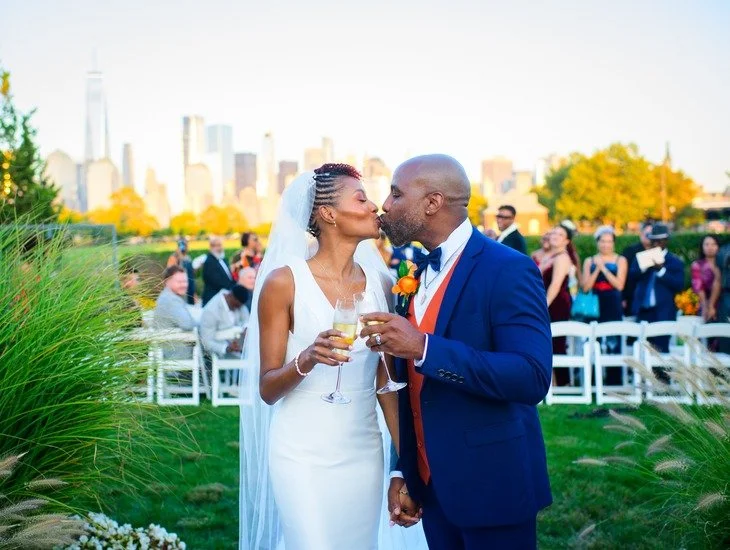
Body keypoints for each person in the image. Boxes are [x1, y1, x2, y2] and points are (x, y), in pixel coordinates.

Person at [361, 155, 552, 549]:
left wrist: (423, 347)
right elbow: (414, 391)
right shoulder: (414, 271)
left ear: (432, 203)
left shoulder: (507, 268)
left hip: (494, 485)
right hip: (433, 490)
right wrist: (406, 469)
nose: (386, 205)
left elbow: (531, 375)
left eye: (396, 194)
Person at [239, 164, 426, 550]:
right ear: (328, 214)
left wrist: (406, 467)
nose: (375, 206)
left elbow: (386, 386)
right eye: (361, 199)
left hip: (362, 449)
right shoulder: (283, 282)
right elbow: (268, 389)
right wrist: (306, 359)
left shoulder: (384, 285)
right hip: (300, 450)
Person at [630, 224, 685, 353]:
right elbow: (631, 277)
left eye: (660, 240)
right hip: (644, 312)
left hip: (663, 313)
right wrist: (645, 267)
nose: (656, 244)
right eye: (654, 240)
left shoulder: (674, 261)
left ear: (666, 241)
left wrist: (661, 271)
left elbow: (679, 285)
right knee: (644, 352)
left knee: (661, 353)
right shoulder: (641, 257)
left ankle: (662, 374)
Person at [540, 223, 573, 385]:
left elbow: (555, 284)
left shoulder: (562, 257)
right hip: (547, 302)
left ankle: (562, 383)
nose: (554, 236)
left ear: (566, 241)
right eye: (553, 233)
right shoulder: (547, 256)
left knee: (557, 342)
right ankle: (550, 382)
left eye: (559, 235)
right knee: (546, 343)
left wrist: (543, 306)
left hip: (557, 304)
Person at [153, 265, 198, 359]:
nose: (184, 285)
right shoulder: (171, 300)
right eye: (179, 282)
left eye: (185, 281)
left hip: (169, 350)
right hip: (177, 355)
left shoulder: (166, 296)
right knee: (209, 350)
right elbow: (188, 324)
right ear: (167, 282)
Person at [199, 285, 250, 359]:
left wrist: (246, 328)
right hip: (221, 352)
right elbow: (206, 342)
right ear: (231, 296)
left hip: (241, 347)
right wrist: (227, 348)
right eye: (236, 306)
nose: (238, 308)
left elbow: (246, 318)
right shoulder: (210, 311)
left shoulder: (238, 301)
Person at [621, 222, 652, 316]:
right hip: (633, 295)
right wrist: (623, 297)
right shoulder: (630, 251)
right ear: (641, 234)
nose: (650, 237)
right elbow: (624, 275)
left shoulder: (658, 251)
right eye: (647, 234)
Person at [691, 235, 721, 322]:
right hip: (705, 303)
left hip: (723, 303)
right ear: (702, 247)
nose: (710, 247)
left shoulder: (723, 263)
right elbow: (699, 288)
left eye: (713, 244)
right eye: (707, 244)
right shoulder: (697, 265)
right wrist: (706, 307)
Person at [201, 236, 236, 306]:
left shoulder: (223, 259)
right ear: (211, 247)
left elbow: (228, 277)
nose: (220, 248)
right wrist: (235, 288)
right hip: (213, 301)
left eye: (220, 245)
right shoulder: (209, 262)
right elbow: (218, 282)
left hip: (223, 299)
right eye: (217, 246)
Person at [167, 238, 196, 305]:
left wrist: (194, 293)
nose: (186, 247)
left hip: (190, 289)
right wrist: (179, 257)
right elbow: (170, 273)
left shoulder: (188, 258)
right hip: (180, 290)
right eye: (183, 245)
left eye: (186, 245)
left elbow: (191, 274)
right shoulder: (173, 257)